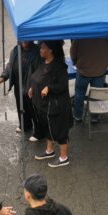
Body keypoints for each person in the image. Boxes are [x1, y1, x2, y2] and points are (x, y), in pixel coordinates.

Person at [29, 40, 73, 168]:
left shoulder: (59, 66)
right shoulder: (44, 63)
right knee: (48, 127)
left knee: (60, 131)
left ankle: (64, 158)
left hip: (57, 106)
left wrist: (49, 88)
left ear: (50, 50)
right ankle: (50, 151)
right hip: (45, 105)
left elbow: (63, 85)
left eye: (43, 48)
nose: (40, 50)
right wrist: (33, 88)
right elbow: (37, 78)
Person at [0, 41, 42, 136]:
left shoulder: (37, 51)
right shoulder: (16, 50)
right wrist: (3, 76)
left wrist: (34, 86)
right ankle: (25, 125)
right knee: (21, 106)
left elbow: (40, 70)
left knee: (33, 108)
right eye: (22, 40)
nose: (24, 42)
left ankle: (39, 131)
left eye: (27, 40)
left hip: (31, 85)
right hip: (18, 84)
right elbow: (10, 65)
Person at [70, 38, 108, 123]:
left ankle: (77, 116)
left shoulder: (80, 36)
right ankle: (94, 117)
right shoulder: (106, 37)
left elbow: (73, 52)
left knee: (79, 94)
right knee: (96, 95)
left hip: (83, 70)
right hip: (99, 70)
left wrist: (75, 62)